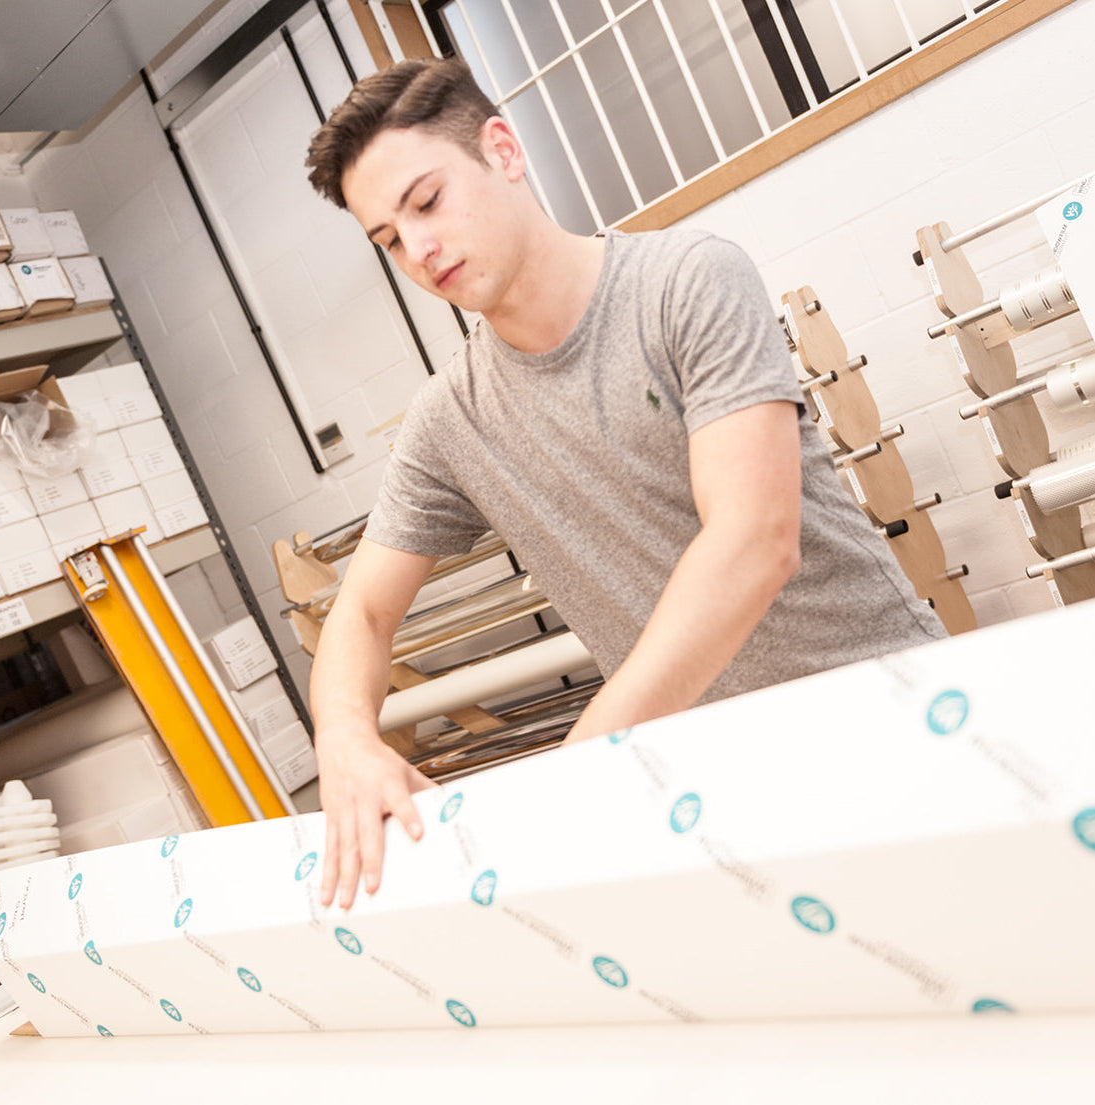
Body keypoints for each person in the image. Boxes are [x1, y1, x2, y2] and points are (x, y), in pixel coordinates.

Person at [304, 56, 945, 909]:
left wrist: (583, 762)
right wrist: (344, 738)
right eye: (388, 239)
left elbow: (753, 541)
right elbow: (361, 611)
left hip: (895, 717)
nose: (417, 250)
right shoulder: (448, 420)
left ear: (502, 149)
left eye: (425, 203)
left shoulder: (686, 281)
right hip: (708, 788)